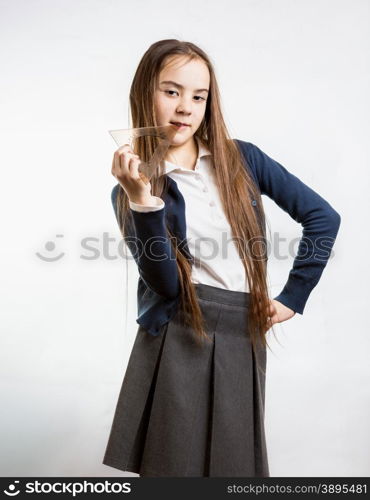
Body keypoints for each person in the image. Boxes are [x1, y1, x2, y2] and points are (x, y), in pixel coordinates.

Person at [102, 39, 341, 477]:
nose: (185, 108)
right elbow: (166, 285)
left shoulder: (241, 158)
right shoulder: (130, 191)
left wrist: (293, 296)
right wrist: (142, 201)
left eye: (199, 96)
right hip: (178, 329)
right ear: (144, 93)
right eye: (171, 91)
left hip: (240, 327)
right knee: (173, 468)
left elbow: (323, 218)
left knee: (235, 470)